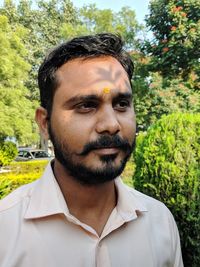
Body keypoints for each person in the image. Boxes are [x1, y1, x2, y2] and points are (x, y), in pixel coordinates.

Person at [0, 33, 183, 267]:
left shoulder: (159, 222)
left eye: (121, 104)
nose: (111, 125)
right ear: (44, 123)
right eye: (86, 106)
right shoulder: (5, 230)